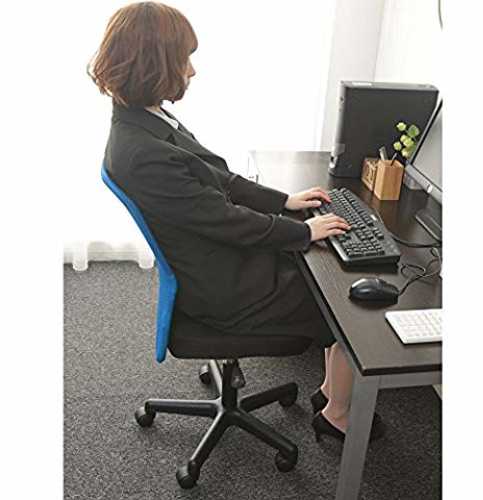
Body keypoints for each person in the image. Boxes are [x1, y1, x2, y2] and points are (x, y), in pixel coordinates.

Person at [88, 1, 384, 442]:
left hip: (216, 255)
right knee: (343, 297)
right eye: (183, 59)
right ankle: (337, 415)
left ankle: (329, 393)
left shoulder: (145, 117)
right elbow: (224, 220)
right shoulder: (141, 152)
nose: (191, 70)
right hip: (222, 287)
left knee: (326, 266)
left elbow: (218, 178)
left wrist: (285, 201)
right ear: (153, 65)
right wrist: (303, 231)